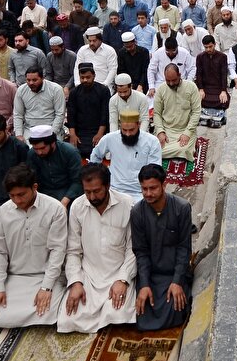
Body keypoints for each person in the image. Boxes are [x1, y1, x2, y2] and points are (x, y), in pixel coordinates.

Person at [0, 164, 67, 328]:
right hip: (15, 276)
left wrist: (46, 287)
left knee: (48, 314)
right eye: (12, 195)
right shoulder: (4, 211)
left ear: (34, 187)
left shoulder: (55, 209)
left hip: (47, 275)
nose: (17, 200)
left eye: (21, 194)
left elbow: (58, 251)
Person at [58, 163, 138, 333]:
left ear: (107, 186)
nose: (92, 197)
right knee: (69, 318)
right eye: (87, 192)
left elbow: (133, 248)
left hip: (118, 271)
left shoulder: (127, 204)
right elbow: (73, 250)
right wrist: (76, 282)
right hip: (90, 275)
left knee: (117, 315)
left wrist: (123, 279)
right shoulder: (78, 207)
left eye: (96, 191)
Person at [131, 164, 194, 330]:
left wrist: (177, 281)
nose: (148, 194)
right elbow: (141, 252)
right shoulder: (137, 212)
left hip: (174, 272)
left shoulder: (182, 208)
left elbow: (184, 248)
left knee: (176, 307)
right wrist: (144, 284)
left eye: (153, 188)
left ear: (164, 185)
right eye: (144, 189)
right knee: (141, 311)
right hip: (151, 274)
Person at [88, 110, 162, 201]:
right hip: (114, 190)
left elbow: (155, 170)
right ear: (120, 126)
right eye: (124, 130)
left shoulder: (152, 141)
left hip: (140, 192)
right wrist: (100, 177)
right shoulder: (110, 138)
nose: (127, 134)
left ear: (138, 125)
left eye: (131, 130)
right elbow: (95, 156)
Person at [152, 65, 200, 170]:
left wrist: (187, 133)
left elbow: (196, 112)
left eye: (174, 80)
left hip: (185, 130)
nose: (171, 83)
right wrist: (160, 132)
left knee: (184, 150)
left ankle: (189, 146)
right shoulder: (161, 89)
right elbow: (157, 114)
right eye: (168, 80)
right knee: (154, 150)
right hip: (167, 130)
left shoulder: (191, 87)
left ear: (180, 75)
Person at [24, 125, 83, 207]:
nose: (39, 152)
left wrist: (65, 202)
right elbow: (32, 179)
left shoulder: (70, 152)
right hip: (43, 193)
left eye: (42, 148)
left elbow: (77, 181)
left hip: (67, 192)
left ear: (52, 143)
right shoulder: (32, 154)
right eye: (36, 149)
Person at [67, 64, 110, 160]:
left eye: (88, 77)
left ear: (94, 76)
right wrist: (73, 135)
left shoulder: (103, 90)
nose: (85, 80)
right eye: (82, 78)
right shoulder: (74, 92)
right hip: (80, 132)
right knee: (74, 151)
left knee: (99, 150)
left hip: (98, 130)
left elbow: (105, 114)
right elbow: (71, 115)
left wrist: (100, 134)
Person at [13, 69, 66, 141]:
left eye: (34, 80)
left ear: (43, 78)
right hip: (29, 129)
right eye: (28, 80)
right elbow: (18, 114)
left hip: (51, 128)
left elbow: (60, 114)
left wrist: (52, 133)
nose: (31, 83)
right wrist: (19, 135)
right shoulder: (21, 90)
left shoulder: (56, 89)